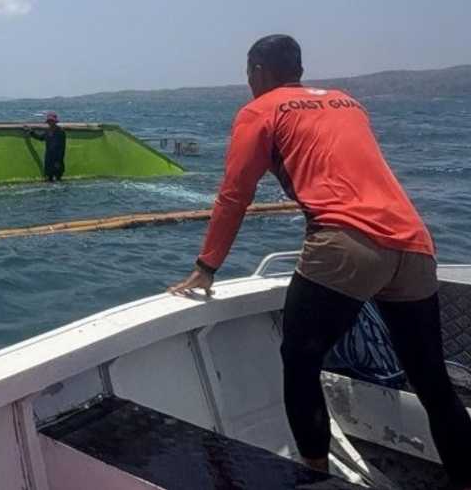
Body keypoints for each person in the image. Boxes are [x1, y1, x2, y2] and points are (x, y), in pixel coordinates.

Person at [167, 34, 471, 487]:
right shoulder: (347, 102)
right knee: (431, 379)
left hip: (346, 243)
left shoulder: (260, 110)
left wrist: (206, 266)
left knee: (300, 359)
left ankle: (316, 479)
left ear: (257, 72)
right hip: (414, 244)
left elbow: (234, 195)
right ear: (300, 71)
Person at [25, 112, 66, 181]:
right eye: (49, 121)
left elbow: (62, 147)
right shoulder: (48, 131)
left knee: (58, 177)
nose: (50, 122)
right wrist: (31, 132)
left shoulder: (60, 131)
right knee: (49, 177)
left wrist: (59, 160)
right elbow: (41, 138)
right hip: (49, 157)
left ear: (55, 122)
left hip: (57, 158)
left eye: (52, 121)